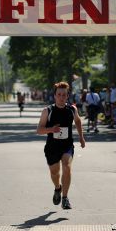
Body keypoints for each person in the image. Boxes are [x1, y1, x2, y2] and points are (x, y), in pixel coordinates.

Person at [37, 82, 85, 210]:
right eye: (59, 94)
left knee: (67, 167)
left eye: (64, 95)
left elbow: (78, 121)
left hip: (67, 145)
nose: (61, 97)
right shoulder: (48, 111)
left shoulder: (72, 109)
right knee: (55, 173)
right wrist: (51, 129)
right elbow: (39, 130)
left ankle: (65, 198)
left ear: (67, 96)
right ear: (54, 96)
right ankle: (57, 188)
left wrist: (81, 137)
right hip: (52, 147)